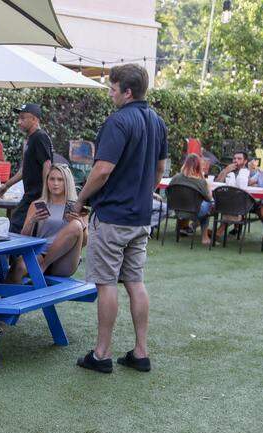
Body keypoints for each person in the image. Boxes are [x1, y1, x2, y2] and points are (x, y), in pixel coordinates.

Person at [68, 64, 167, 374]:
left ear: (127, 92)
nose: (109, 92)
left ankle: (102, 353)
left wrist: (81, 199)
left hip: (111, 217)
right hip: (140, 217)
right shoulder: (157, 122)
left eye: (113, 88)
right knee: (135, 282)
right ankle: (140, 352)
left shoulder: (118, 121)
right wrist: (142, 193)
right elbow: (160, 170)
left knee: (106, 283)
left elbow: (102, 170)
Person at [10, 164, 86, 284]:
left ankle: (43, 267)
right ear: (47, 181)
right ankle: (8, 299)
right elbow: (23, 238)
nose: (55, 183)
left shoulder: (76, 207)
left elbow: (84, 243)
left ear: (67, 182)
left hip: (65, 258)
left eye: (60, 179)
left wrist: (83, 226)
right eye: (52, 179)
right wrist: (31, 221)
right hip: (40, 253)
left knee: (76, 225)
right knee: (18, 266)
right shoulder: (37, 205)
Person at [0, 102, 54, 234]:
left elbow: (47, 164)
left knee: (16, 226)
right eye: (18, 118)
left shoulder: (40, 137)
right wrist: (6, 186)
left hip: (36, 196)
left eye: (23, 118)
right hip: (30, 194)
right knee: (24, 228)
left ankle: (16, 255)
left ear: (34, 119)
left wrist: (45, 194)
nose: (18, 122)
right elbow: (23, 170)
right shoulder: (31, 139)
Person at [168, 152, 215, 246]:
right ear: (199, 166)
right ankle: (204, 238)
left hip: (177, 210)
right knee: (210, 205)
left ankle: (186, 227)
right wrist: (208, 186)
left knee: (199, 205)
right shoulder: (201, 182)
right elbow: (208, 198)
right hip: (194, 212)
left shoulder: (175, 178)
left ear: (185, 164)